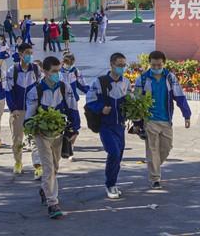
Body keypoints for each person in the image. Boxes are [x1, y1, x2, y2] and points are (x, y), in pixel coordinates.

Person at [25, 56, 73, 219]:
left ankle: (45, 189)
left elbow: (72, 108)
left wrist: (75, 129)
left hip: (59, 133)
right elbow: (29, 116)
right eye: (53, 71)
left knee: (55, 165)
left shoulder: (64, 88)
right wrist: (33, 128)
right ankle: (53, 203)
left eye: (58, 71)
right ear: (45, 72)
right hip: (42, 134)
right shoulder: (35, 91)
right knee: (48, 168)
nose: (57, 74)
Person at [134, 50, 191, 189]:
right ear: (149, 64)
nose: (156, 68)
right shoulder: (142, 79)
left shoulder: (170, 78)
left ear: (164, 64)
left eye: (159, 65)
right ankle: (155, 178)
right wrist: (136, 122)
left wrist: (187, 115)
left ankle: (153, 165)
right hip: (150, 120)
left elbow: (179, 96)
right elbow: (136, 100)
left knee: (166, 148)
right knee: (152, 149)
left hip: (166, 119)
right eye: (153, 65)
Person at [86, 52, 132, 199]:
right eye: (119, 65)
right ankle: (110, 184)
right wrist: (101, 108)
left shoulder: (126, 82)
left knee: (118, 156)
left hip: (120, 125)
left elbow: (131, 100)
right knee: (113, 152)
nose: (122, 68)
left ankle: (113, 182)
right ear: (111, 65)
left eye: (124, 65)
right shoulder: (99, 82)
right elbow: (90, 101)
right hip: (105, 125)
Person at [6, 42, 41, 175]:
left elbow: (41, 88)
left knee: (35, 139)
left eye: (31, 53)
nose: (30, 56)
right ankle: (18, 162)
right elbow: (8, 91)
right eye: (27, 53)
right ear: (20, 54)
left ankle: (37, 166)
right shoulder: (12, 71)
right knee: (17, 139)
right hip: (18, 111)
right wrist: (13, 108)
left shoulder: (36, 70)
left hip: (33, 111)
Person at [60, 53, 89, 161]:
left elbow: (83, 85)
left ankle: (71, 147)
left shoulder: (75, 72)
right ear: (64, 62)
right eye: (68, 63)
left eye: (71, 63)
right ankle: (61, 146)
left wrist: (92, 93)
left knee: (75, 126)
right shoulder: (58, 72)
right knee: (61, 125)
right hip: (60, 103)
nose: (69, 65)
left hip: (73, 103)